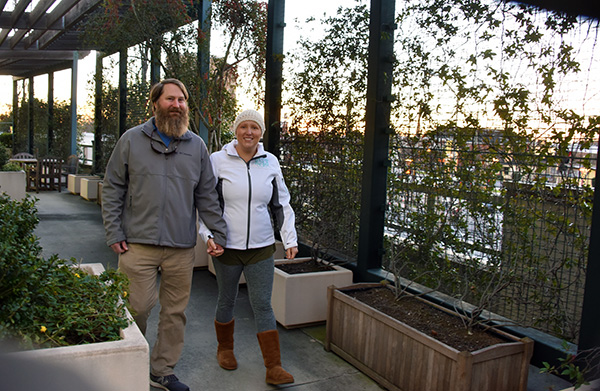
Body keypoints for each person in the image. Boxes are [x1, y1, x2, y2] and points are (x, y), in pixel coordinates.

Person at [102, 78, 227, 391]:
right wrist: (114, 230)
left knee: (174, 313)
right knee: (137, 307)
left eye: (182, 100)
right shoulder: (131, 140)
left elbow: (207, 195)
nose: (177, 105)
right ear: (155, 103)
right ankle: (132, 358)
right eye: (170, 99)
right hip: (136, 245)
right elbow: (113, 187)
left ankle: (162, 370)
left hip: (181, 248)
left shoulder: (196, 146)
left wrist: (217, 232)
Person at [199, 109, 298, 385]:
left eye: (254, 127)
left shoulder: (270, 162)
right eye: (244, 126)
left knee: (263, 305)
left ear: (261, 133)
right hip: (226, 248)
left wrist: (289, 239)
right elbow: (207, 203)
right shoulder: (218, 160)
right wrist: (208, 235)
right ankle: (225, 349)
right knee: (226, 299)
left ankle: (274, 366)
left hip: (262, 247)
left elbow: (282, 203)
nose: (249, 132)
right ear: (236, 130)